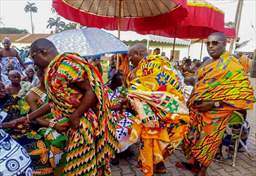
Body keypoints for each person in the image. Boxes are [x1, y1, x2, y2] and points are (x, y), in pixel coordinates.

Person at [2, 38, 118, 176]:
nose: (33, 62)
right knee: (85, 165)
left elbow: (92, 91)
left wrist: (75, 115)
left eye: (33, 57)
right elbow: (53, 103)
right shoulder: (53, 71)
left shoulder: (65, 66)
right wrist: (25, 118)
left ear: (42, 52)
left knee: (83, 166)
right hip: (75, 124)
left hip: (85, 123)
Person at [176, 32, 254, 176]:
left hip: (216, 111)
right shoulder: (208, 62)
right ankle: (194, 164)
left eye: (215, 43)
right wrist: (188, 80)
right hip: (197, 110)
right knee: (194, 137)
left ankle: (203, 170)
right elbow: (200, 81)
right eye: (208, 43)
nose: (210, 46)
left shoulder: (232, 65)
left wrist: (213, 104)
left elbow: (242, 95)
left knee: (209, 141)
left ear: (224, 44)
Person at [127, 43, 190, 176]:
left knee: (151, 137)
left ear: (137, 54)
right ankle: (159, 165)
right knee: (161, 137)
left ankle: (150, 168)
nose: (129, 60)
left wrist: (132, 87)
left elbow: (140, 90)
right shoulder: (162, 62)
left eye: (130, 56)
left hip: (157, 112)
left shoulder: (146, 67)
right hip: (174, 110)